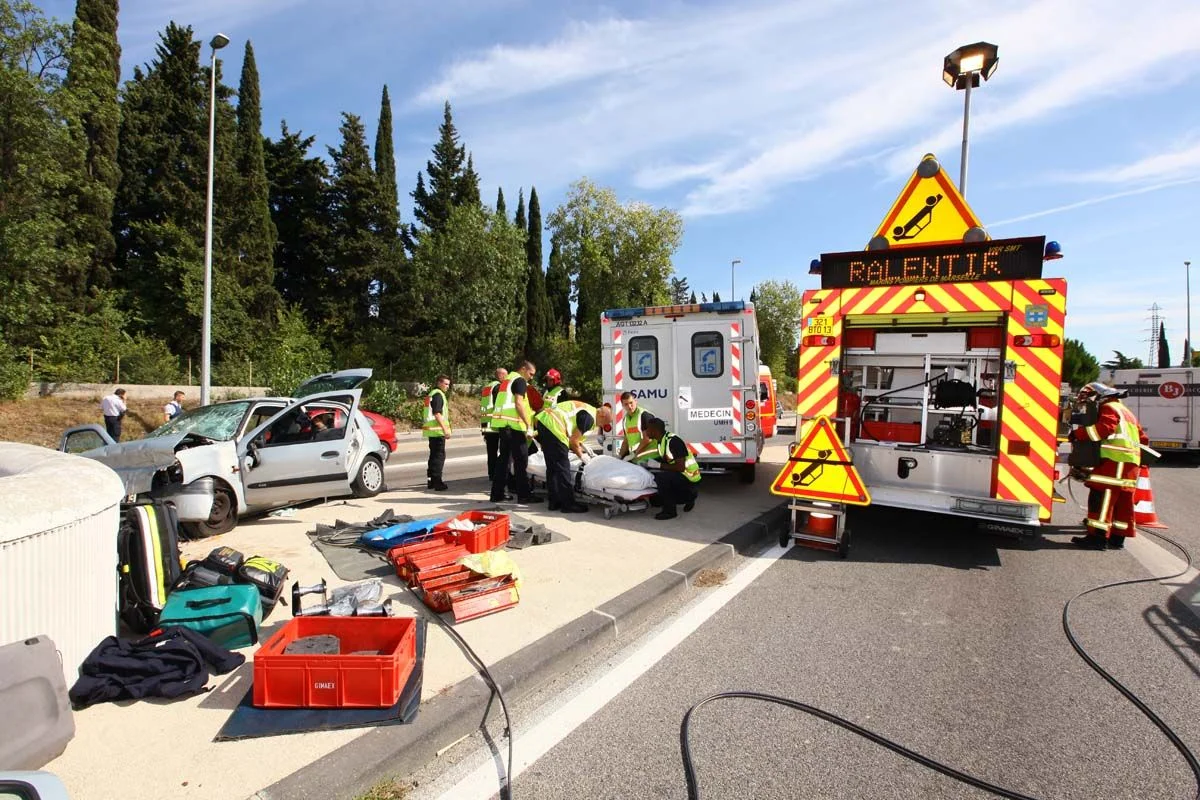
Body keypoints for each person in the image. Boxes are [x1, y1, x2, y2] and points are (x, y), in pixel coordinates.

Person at [1069, 381, 1147, 550]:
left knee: (1102, 497)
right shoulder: (1127, 412)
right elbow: (1143, 439)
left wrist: (1077, 434)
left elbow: (1103, 429)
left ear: (1099, 396)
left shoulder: (1109, 408)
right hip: (1130, 465)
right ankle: (1117, 539)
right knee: (1123, 502)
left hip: (1115, 463)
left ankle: (1097, 538)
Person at [534, 400, 613, 513]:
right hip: (555, 427)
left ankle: (554, 502)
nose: (602, 425)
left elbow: (576, 436)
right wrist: (582, 456)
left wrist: (583, 448)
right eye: (604, 422)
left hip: (544, 422)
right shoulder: (589, 418)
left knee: (552, 467)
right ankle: (568, 504)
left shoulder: (587, 409)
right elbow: (573, 441)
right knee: (563, 468)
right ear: (601, 415)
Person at [489, 361, 542, 505]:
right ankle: (524, 495)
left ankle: (497, 494)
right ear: (523, 369)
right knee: (521, 461)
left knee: (503, 460)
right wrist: (528, 425)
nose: (531, 378)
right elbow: (519, 403)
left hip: (503, 425)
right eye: (530, 374)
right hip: (514, 427)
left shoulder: (506, 381)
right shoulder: (519, 381)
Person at [642, 416, 700, 521]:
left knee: (662, 478)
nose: (645, 432)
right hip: (681, 476)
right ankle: (665, 500)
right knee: (656, 488)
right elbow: (667, 459)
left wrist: (658, 465)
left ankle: (670, 511)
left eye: (647, 429)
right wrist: (648, 464)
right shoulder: (661, 441)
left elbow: (681, 467)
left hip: (689, 479)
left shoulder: (673, 441)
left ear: (655, 430)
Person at [422, 375, 452, 491]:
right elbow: (437, 413)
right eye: (445, 384)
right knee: (439, 457)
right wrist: (445, 429)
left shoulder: (431, 394)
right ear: (439, 383)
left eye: (448, 384)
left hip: (432, 431)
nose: (447, 387)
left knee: (433, 456)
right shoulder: (438, 395)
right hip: (437, 431)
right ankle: (437, 482)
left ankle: (431, 481)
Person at [481, 368, 508, 483]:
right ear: (501, 376)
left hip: (486, 424)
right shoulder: (498, 387)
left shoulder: (487, 387)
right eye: (506, 376)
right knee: (503, 452)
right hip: (496, 424)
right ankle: (499, 475)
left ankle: (492, 474)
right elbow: (500, 404)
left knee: (491, 452)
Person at [618, 392, 658, 464]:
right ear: (622, 405)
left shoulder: (644, 415)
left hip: (650, 458)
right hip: (638, 457)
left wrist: (634, 453)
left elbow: (647, 439)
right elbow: (626, 440)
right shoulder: (625, 419)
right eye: (626, 404)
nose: (629, 406)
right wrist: (619, 456)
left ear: (635, 401)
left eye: (631, 403)